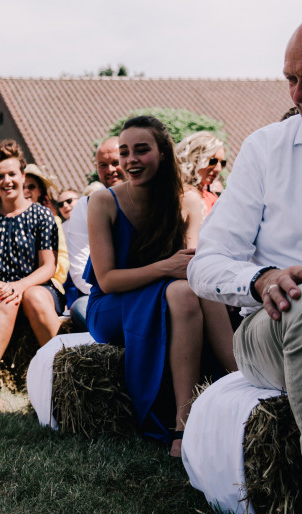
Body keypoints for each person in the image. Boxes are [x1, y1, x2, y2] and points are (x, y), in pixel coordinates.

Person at [189, 17, 302, 485]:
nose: (298, 94)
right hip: (271, 324)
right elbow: (205, 264)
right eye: (291, 79)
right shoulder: (266, 149)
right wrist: (262, 279)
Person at [87, 116, 236, 457]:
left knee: (195, 288)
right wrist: (165, 267)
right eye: (125, 152)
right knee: (182, 291)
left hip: (172, 297)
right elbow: (107, 280)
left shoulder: (189, 201)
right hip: (112, 306)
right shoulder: (103, 202)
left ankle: (242, 386)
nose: (130, 160)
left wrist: (178, 270)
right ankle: (183, 426)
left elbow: (190, 267)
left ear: (163, 153)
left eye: (142, 150)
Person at [0, 141, 62, 404]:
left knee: (33, 295)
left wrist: (19, 286)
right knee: (6, 298)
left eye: (11, 174)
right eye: (0, 176)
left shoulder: (42, 216)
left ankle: (62, 372)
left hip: (36, 288)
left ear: (22, 176)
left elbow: (48, 267)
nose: (6, 181)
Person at [63, 137, 127, 330]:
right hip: (102, 293)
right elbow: (79, 270)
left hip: (143, 289)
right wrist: (110, 288)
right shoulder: (85, 206)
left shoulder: (147, 199)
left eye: (115, 162)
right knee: (80, 308)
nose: (110, 170)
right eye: (103, 165)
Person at [24, 164, 69, 312]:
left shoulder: (52, 220)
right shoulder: (5, 220)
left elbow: (62, 259)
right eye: (22, 186)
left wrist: (38, 277)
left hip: (48, 285)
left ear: (40, 191)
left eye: (31, 186)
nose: (26, 191)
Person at [175, 131, 226, 216]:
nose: (218, 169)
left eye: (222, 163)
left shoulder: (214, 201)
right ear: (194, 159)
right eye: (213, 161)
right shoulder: (174, 192)